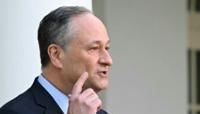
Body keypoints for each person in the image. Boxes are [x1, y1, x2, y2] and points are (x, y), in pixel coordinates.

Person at [0, 6, 112, 114]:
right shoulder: (13, 112)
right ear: (56, 55)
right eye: (94, 48)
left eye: (106, 48)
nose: (108, 60)